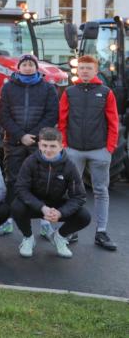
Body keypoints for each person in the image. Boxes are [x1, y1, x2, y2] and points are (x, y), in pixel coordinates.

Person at [58, 54, 119, 251]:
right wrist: (65, 146)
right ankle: (71, 230)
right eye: (81, 68)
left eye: (88, 68)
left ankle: (101, 232)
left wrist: (109, 149)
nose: (84, 71)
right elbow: (62, 121)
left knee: (101, 191)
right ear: (78, 70)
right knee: (72, 192)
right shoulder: (69, 92)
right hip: (73, 150)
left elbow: (113, 122)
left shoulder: (106, 92)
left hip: (99, 150)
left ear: (96, 70)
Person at [0, 54, 59, 237]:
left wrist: (35, 135)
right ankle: (8, 220)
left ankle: (46, 223)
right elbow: (4, 114)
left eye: (31, 64)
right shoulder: (8, 88)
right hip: (14, 142)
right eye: (25, 64)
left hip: (39, 144)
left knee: (41, 182)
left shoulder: (48, 88)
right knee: (12, 180)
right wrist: (20, 135)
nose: (28, 67)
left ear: (36, 67)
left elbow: (51, 114)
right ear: (19, 67)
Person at [12, 127, 90, 259]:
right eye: (44, 145)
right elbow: (20, 189)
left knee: (84, 216)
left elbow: (79, 196)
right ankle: (28, 238)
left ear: (61, 146)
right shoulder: (30, 162)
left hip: (56, 206)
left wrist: (61, 212)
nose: (48, 150)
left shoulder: (69, 166)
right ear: (39, 145)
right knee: (16, 207)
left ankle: (59, 237)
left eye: (53, 146)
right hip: (35, 205)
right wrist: (42, 207)